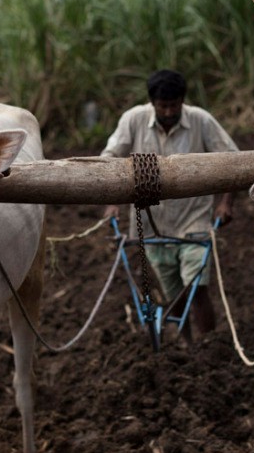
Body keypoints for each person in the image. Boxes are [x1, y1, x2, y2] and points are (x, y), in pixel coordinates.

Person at [101, 69, 239, 341]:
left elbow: (234, 161)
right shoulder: (133, 120)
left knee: (197, 288)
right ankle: (186, 345)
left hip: (194, 219)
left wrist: (225, 204)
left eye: (173, 106)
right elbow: (109, 159)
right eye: (162, 106)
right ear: (152, 103)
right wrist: (111, 203)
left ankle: (210, 348)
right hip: (150, 223)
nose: (167, 112)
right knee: (171, 293)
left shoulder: (201, 121)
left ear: (182, 101)